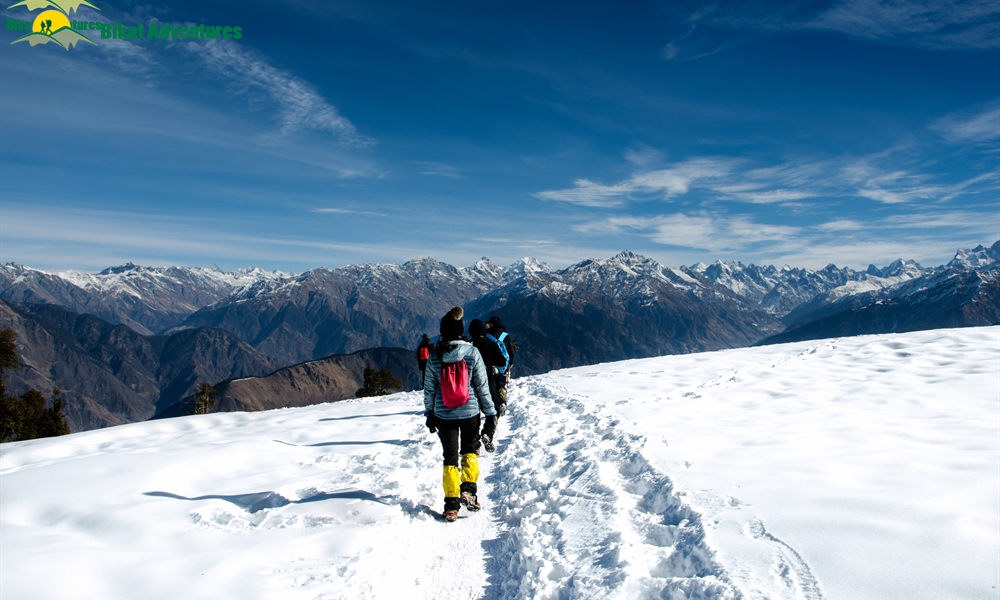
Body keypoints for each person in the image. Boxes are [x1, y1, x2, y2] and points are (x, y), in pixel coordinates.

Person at [423, 307, 497, 522]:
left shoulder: (435, 355)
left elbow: (429, 389)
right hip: (470, 411)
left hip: (444, 414)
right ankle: (469, 490)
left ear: (442, 332)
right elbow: (482, 386)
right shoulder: (472, 352)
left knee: (450, 459)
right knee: (469, 452)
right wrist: (490, 413)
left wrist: (430, 413)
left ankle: (451, 506)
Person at [468, 319, 506, 452]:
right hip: (488, 380)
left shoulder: (469, 345)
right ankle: (488, 433)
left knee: (473, 413)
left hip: (470, 383)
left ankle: (474, 445)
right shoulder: (491, 344)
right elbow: (502, 361)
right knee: (493, 408)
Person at [485, 316, 517, 415]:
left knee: (491, 384)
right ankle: (502, 402)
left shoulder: (487, 335)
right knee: (501, 384)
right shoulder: (505, 335)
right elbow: (511, 350)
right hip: (503, 364)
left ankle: (493, 404)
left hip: (490, 364)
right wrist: (511, 362)